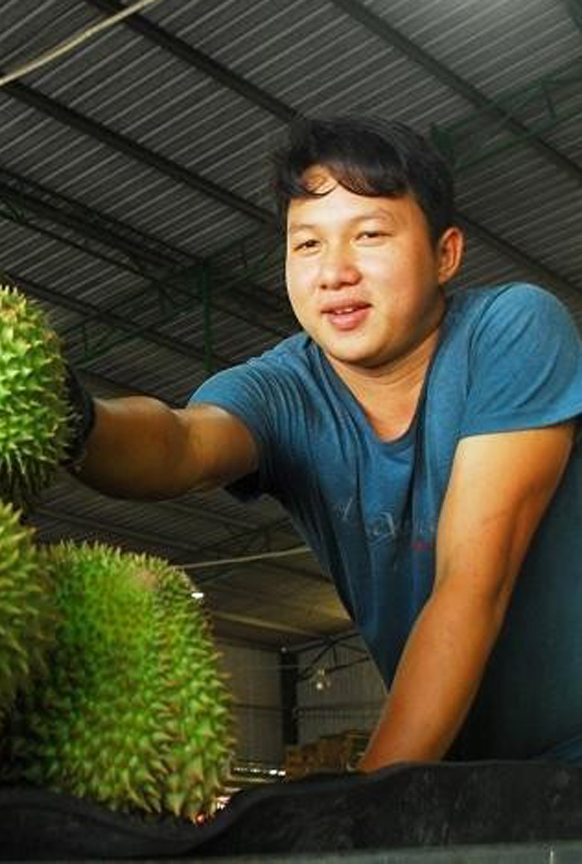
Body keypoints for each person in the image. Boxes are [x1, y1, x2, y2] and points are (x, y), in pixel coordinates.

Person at [66, 115, 582, 770]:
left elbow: (471, 581)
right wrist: (74, 417)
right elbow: (180, 445)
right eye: (306, 245)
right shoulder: (285, 389)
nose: (334, 272)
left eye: (369, 236)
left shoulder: (512, 330)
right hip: (461, 768)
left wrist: (362, 810)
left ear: (445, 253)